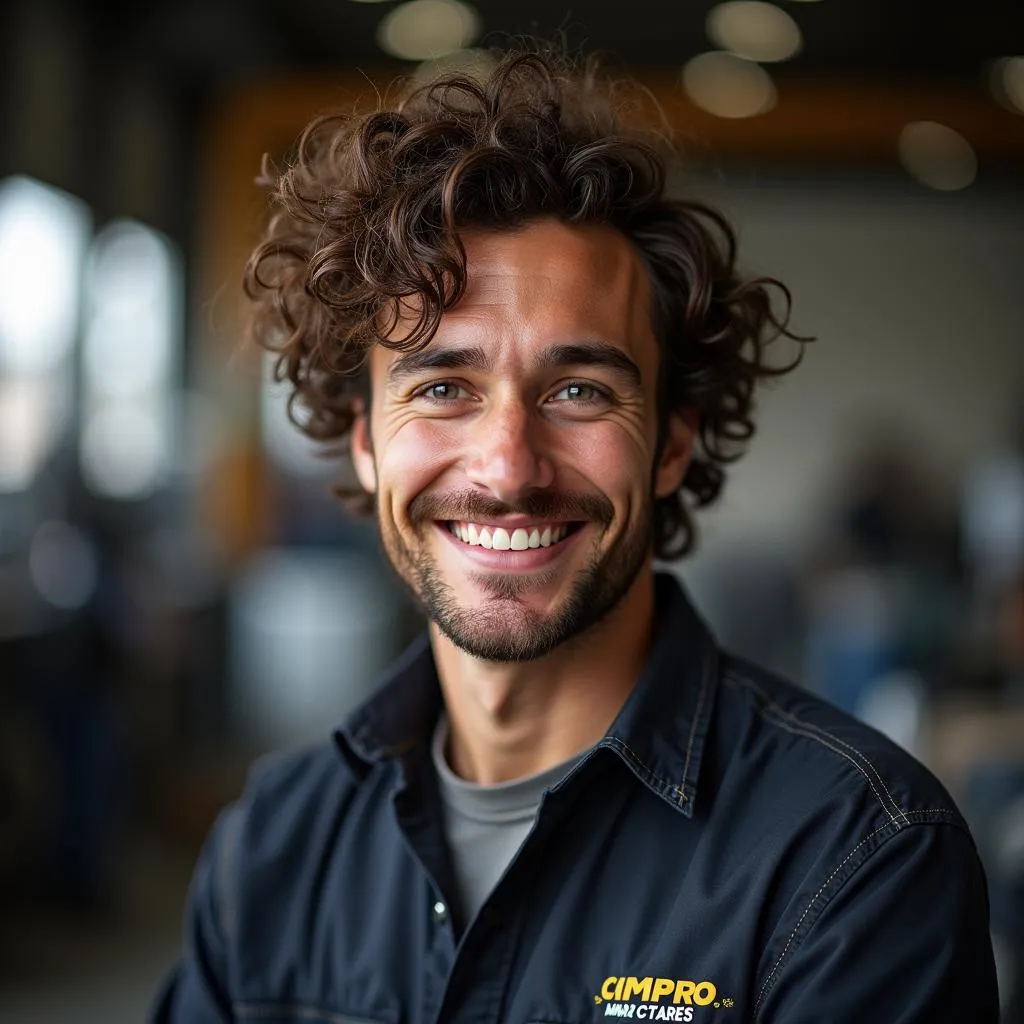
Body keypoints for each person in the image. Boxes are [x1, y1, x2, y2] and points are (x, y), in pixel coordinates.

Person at [152, 48, 999, 1023]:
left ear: (673, 443)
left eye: (578, 389)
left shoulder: (856, 859)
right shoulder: (272, 845)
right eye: (441, 388)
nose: (508, 467)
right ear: (365, 442)